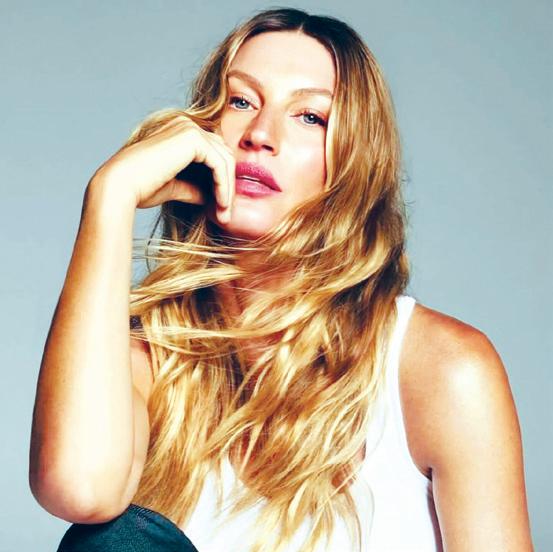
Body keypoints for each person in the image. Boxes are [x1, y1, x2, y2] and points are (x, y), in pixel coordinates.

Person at [29, 7, 534, 552]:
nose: (260, 135)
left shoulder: (444, 372)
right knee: (114, 541)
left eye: (309, 116)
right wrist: (111, 196)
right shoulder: (151, 361)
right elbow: (79, 490)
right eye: (241, 101)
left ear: (353, 163)